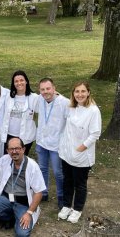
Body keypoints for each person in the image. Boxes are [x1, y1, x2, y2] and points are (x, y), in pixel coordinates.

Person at [57, 81, 101, 224]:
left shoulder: (93, 111)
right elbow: (60, 99)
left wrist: (81, 148)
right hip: (67, 153)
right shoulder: (71, 107)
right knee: (67, 181)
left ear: (88, 92)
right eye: (77, 91)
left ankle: (77, 209)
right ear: (73, 93)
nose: (80, 94)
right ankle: (66, 205)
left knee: (80, 184)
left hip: (82, 155)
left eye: (83, 91)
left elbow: (95, 134)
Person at [0, 137, 45, 236]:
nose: (14, 151)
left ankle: (20, 217)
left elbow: (39, 192)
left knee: (22, 234)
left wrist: (29, 213)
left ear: (23, 149)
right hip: (6, 198)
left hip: (23, 203)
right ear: (7, 151)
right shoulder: (5, 159)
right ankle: (12, 218)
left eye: (17, 148)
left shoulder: (32, 166)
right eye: (11, 149)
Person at [35, 78, 69, 208]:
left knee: (57, 172)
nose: (45, 92)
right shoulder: (39, 99)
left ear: (54, 88)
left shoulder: (64, 103)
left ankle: (61, 196)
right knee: (42, 169)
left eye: (48, 88)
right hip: (41, 142)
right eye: (42, 89)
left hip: (56, 144)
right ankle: (44, 193)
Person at [2, 70, 38, 156]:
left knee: (21, 161)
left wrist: (56, 94)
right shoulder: (9, 96)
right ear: (13, 84)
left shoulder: (34, 98)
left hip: (26, 137)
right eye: (16, 81)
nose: (19, 83)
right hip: (9, 135)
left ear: (26, 81)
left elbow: (48, 101)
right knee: (8, 160)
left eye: (21, 80)